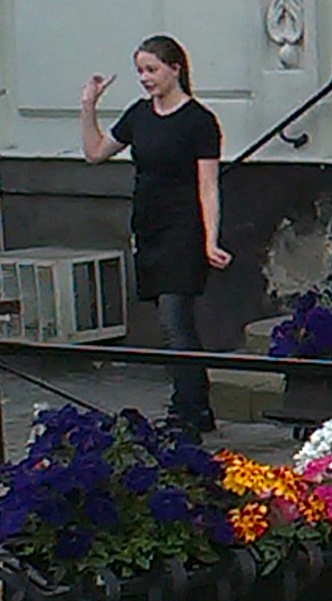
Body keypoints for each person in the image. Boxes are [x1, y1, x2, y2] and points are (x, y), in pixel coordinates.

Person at [81, 35, 228, 435]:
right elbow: (95, 153)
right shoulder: (138, 115)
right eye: (140, 71)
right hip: (149, 226)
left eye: (152, 69)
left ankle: (186, 409)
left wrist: (210, 239)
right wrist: (88, 106)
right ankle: (197, 403)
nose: (145, 78)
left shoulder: (199, 121)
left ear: (175, 68)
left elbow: (208, 186)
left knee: (173, 319)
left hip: (184, 228)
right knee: (173, 323)